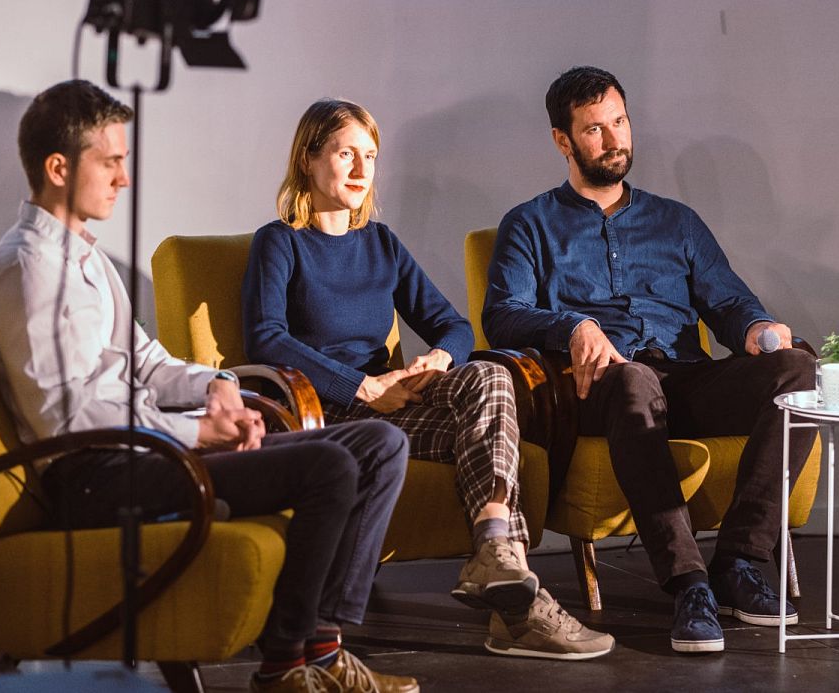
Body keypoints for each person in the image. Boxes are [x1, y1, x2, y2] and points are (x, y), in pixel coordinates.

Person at [0, 80, 418, 693]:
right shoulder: (26, 268)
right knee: (330, 466)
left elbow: (147, 360)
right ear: (58, 168)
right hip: (98, 474)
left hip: (146, 450)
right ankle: (288, 664)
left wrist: (217, 385)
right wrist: (195, 431)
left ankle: (322, 647)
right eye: (111, 162)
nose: (124, 179)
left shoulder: (86, 258)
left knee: (379, 445)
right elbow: (66, 420)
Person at [241, 99, 613, 661]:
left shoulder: (381, 243)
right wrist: (362, 387)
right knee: (486, 431)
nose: (362, 169)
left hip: (391, 402)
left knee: (489, 375)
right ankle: (518, 617)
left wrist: (437, 359)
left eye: (370, 155)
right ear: (309, 159)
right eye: (346, 154)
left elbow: (453, 325)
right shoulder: (279, 242)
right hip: (326, 409)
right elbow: (266, 339)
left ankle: (496, 550)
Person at [483, 66, 818, 654]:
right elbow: (502, 315)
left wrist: (758, 327)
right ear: (563, 140)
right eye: (595, 129)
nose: (614, 140)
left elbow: (729, 301)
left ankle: (738, 562)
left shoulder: (676, 221)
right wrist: (573, 325)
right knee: (633, 379)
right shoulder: (529, 225)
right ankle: (689, 583)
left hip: (685, 378)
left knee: (799, 370)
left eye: (620, 122)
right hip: (600, 389)